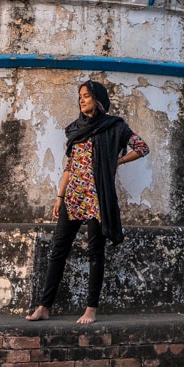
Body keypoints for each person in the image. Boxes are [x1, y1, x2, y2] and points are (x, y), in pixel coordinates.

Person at [27, 80, 149, 324]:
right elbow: (69, 167)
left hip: (96, 198)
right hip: (73, 197)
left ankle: (91, 309)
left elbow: (142, 147)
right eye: (80, 96)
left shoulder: (115, 126)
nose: (82, 100)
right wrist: (59, 196)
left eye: (86, 96)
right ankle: (44, 306)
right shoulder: (75, 129)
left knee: (95, 253)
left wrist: (118, 161)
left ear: (98, 99)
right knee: (58, 251)